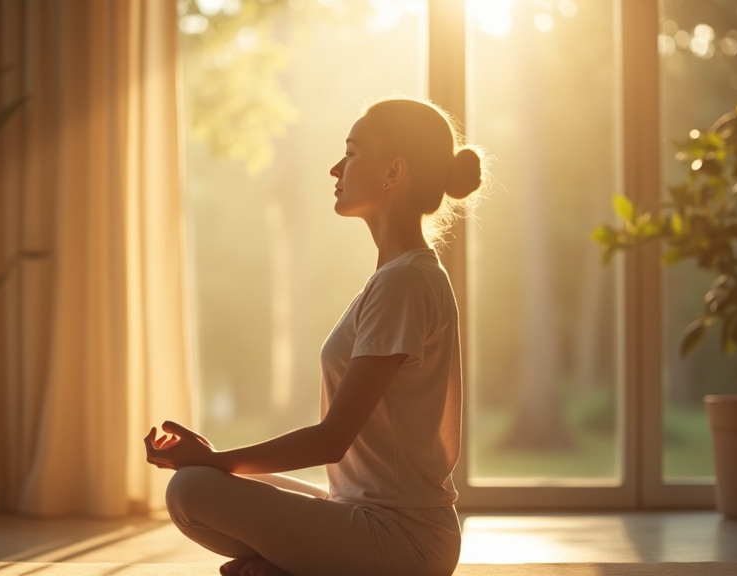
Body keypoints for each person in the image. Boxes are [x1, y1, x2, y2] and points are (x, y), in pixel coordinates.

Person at [144, 97, 484, 576]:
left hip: (403, 540)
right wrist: (215, 462)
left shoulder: (403, 281)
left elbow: (331, 440)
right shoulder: (398, 276)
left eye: (351, 152)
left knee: (191, 488)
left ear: (394, 171)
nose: (335, 168)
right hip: (363, 513)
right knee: (194, 486)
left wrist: (216, 458)